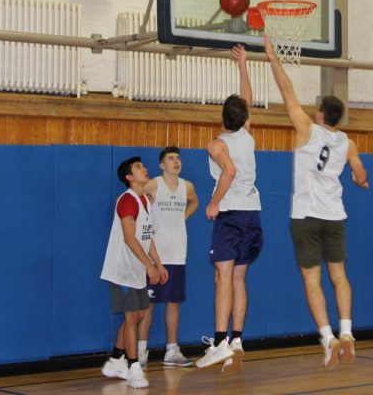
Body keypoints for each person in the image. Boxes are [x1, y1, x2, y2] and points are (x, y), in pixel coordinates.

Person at [263, 34, 370, 370]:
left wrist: (271, 55)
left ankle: (328, 337)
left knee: (312, 280)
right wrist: (360, 179)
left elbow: (286, 90)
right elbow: (361, 173)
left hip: (306, 215)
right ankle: (348, 331)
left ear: (321, 113)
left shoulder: (307, 128)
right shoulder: (347, 142)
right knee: (339, 275)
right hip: (334, 215)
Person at [196, 45, 263, 372]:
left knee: (222, 277)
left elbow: (230, 171)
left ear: (222, 117)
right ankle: (237, 339)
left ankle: (220, 342)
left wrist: (213, 202)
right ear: (243, 119)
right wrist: (244, 66)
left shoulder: (217, 144)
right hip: (252, 215)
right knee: (238, 278)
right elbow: (247, 102)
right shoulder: (247, 135)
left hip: (232, 214)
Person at [100, 157, 169, 390]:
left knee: (139, 315)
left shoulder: (145, 201)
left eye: (143, 166)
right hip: (122, 269)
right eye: (138, 168)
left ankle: (116, 359)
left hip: (137, 269)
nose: (144, 169)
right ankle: (133, 367)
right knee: (131, 317)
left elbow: (147, 238)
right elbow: (130, 239)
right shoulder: (127, 201)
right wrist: (149, 265)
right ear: (129, 177)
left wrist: (158, 264)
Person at [137, 146, 199, 367]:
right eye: (171, 158)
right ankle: (141, 352)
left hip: (177, 254)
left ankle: (171, 351)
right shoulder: (154, 184)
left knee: (174, 304)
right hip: (155, 257)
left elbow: (195, 202)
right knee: (148, 305)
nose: (176, 161)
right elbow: (136, 196)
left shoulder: (187, 186)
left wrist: (183, 217)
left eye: (178, 158)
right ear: (162, 165)